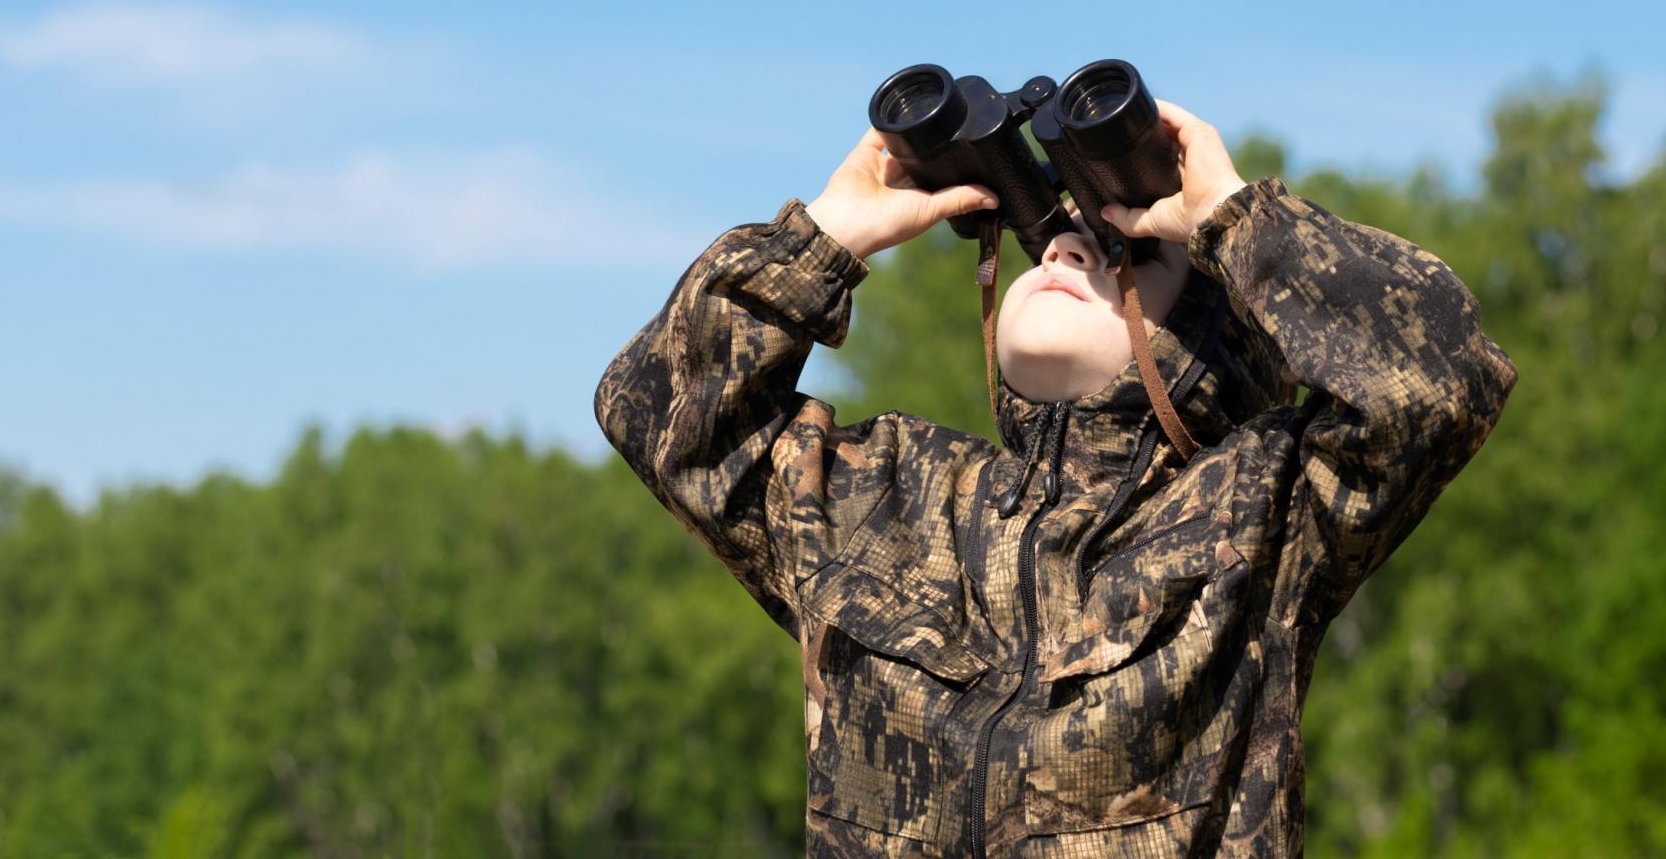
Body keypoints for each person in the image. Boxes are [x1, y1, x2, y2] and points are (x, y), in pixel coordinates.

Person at [593, 99, 1517, 857]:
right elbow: (658, 416)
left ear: (1206, 345)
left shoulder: (1262, 511)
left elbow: (1445, 378)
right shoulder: (895, 497)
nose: (1068, 252)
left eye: (1126, 251)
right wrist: (828, 238)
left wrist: (1236, 219)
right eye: (1049, 242)